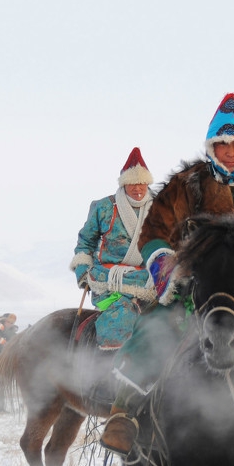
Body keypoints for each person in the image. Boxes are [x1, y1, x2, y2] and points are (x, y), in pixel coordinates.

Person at [99, 92, 234, 455]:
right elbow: (154, 232)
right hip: (198, 291)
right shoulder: (186, 184)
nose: (230, 151)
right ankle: (124, 413)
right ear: (211, 146)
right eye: (221, 144)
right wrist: (169, 270)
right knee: (157, 328)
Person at [70, 148, 158, 349]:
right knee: (121, 316)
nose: (137, 189)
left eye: (141, 183)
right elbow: (86, 242)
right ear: (123, 184)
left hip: (149, 281)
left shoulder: (161, 208)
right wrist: (83, 272)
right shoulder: (104, 207)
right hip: (108, 281)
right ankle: (109, 370)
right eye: (131, 184)